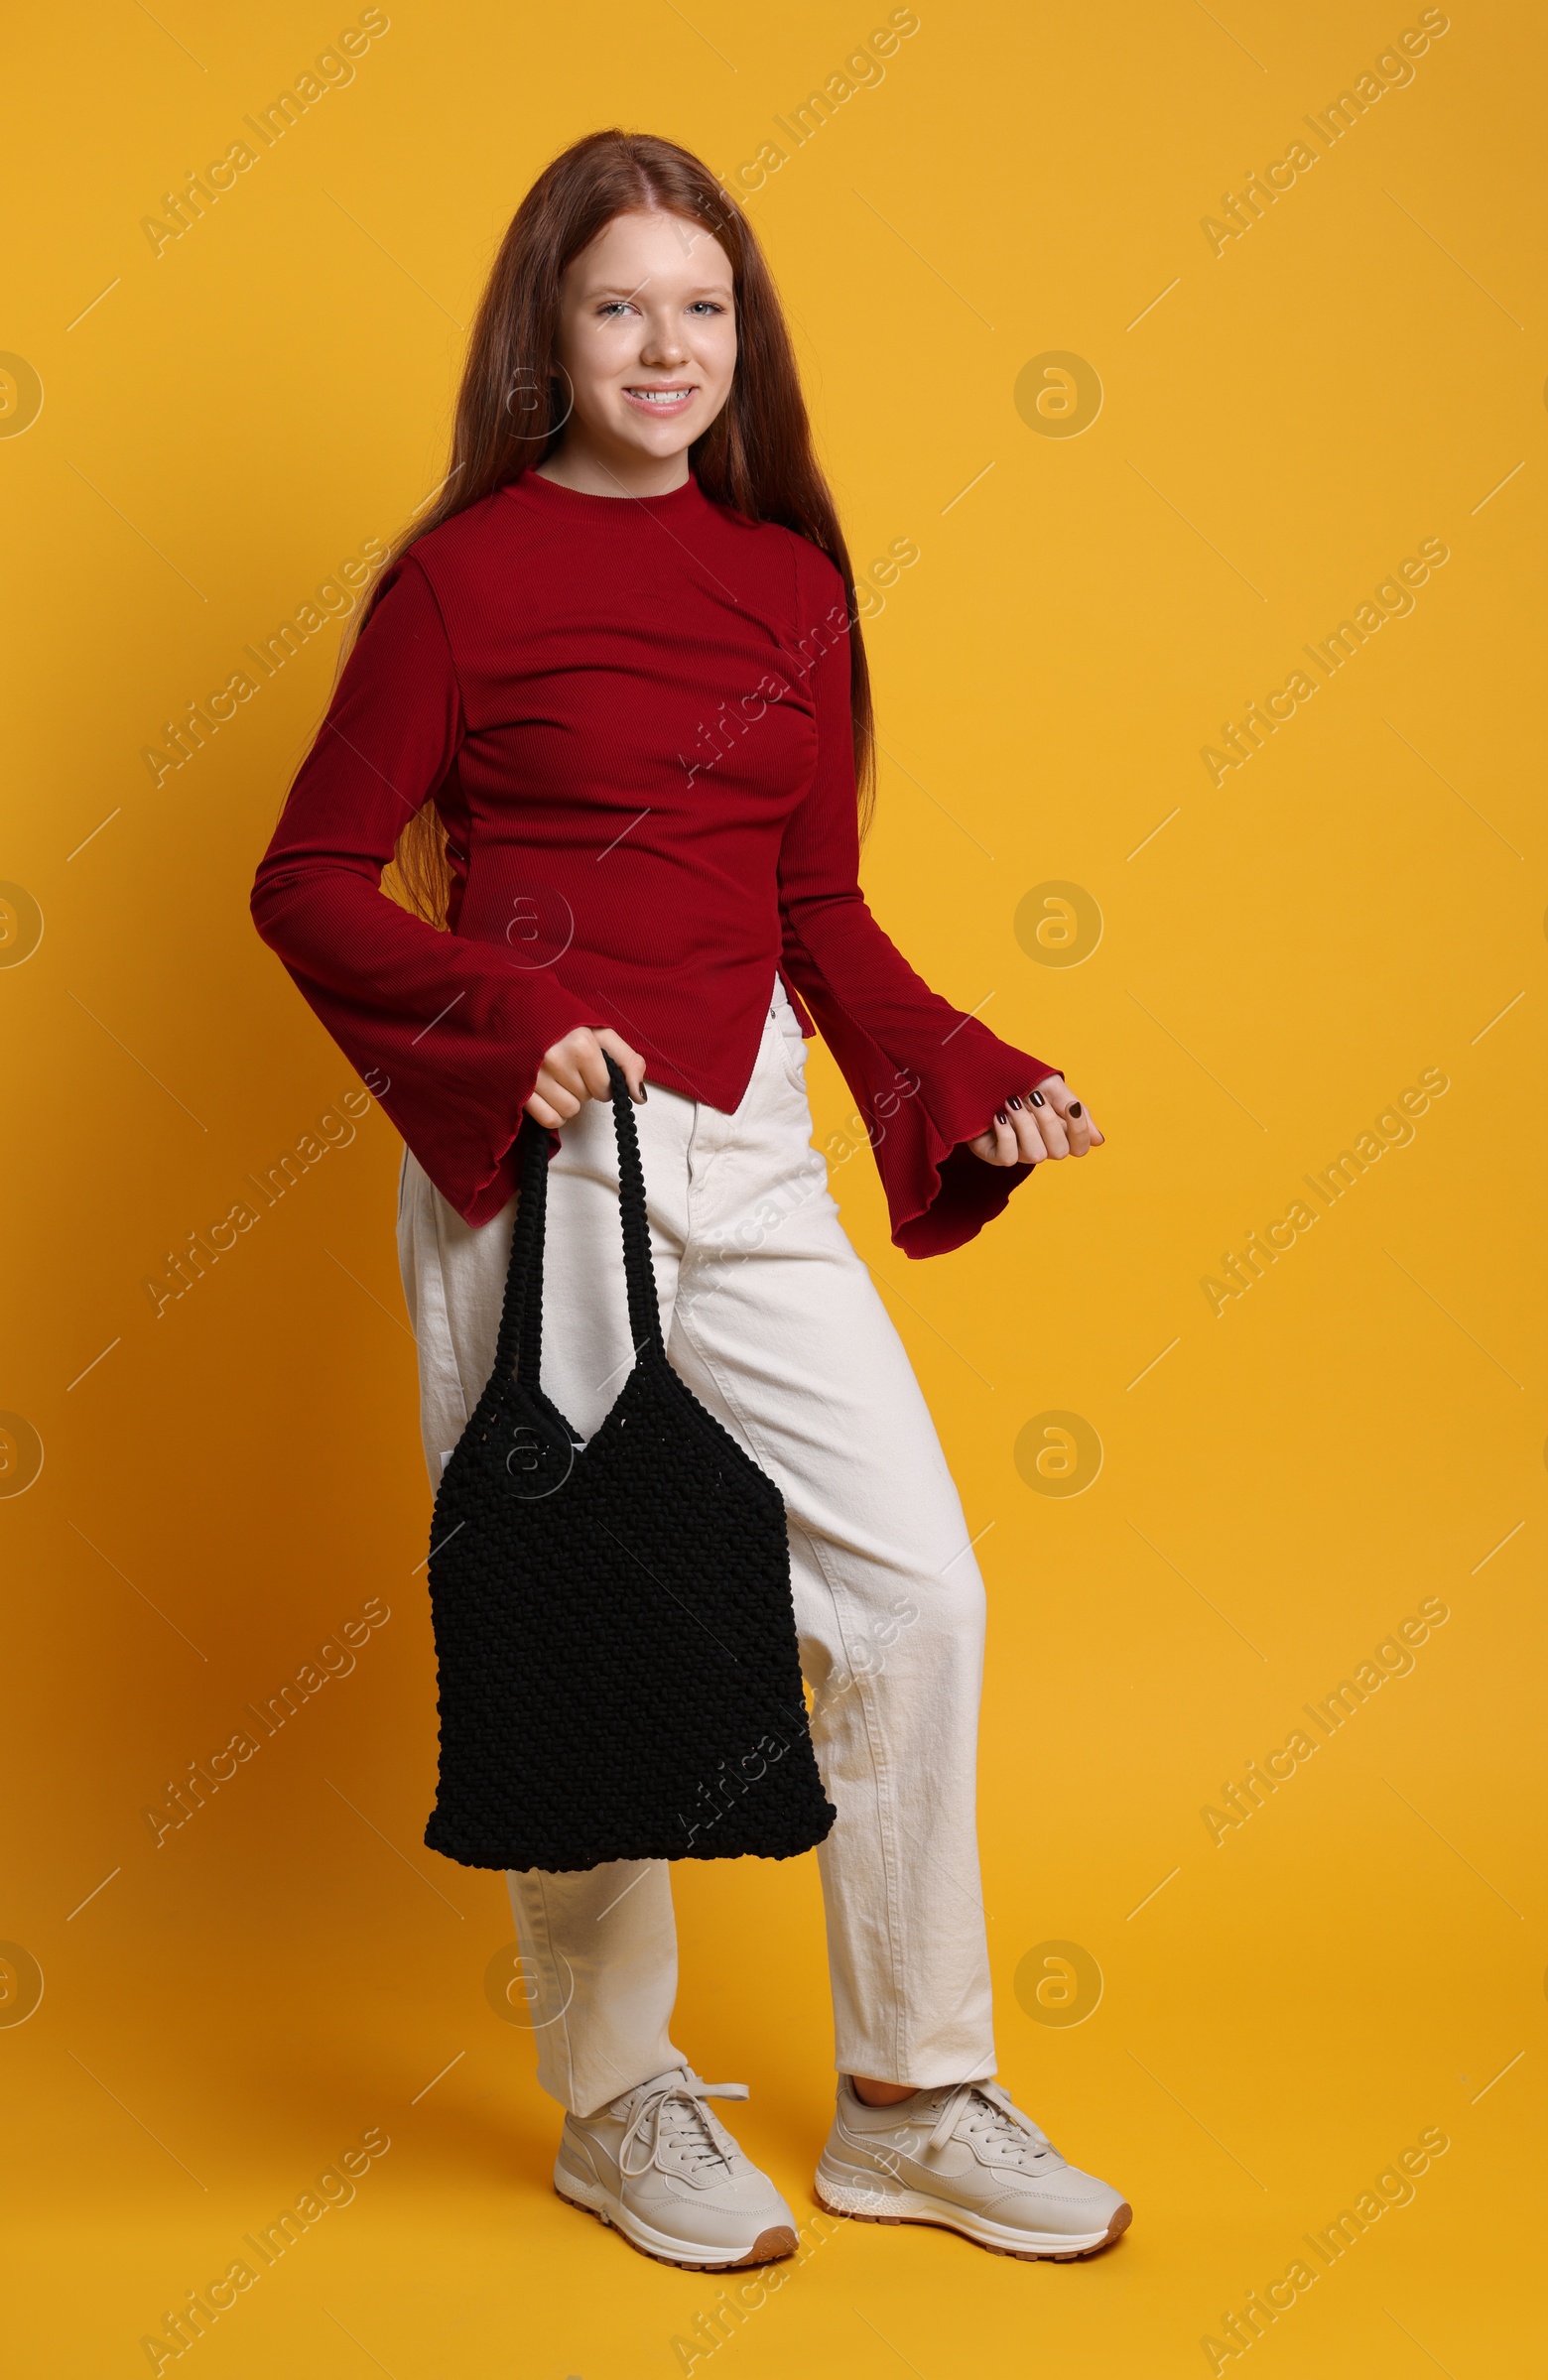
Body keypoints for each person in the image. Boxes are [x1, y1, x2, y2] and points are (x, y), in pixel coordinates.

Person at [250, 128, 1127, 2273]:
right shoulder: (457, 579)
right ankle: (618, 2102)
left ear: (745, 342)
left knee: (910, 1593)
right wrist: (504, 1008)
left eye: (701, 307)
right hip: (534, 1174)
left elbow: (816, 905)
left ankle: (914, 2092)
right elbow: (307, 882)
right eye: (620, 303)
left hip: (739, 1150)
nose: (666, 343)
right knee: (582, 1637)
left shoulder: (788, 583)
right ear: (548, 335)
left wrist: (970, 1076)